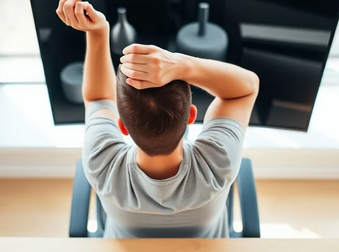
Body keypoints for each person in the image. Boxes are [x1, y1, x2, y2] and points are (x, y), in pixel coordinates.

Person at [56, 0, 259, 238]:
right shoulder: (218, 162)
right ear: (191, 116)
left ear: (122, 126)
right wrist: (184, 65)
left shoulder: (102, 163)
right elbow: (246, 87)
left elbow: (98, 98)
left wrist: (98, 32)